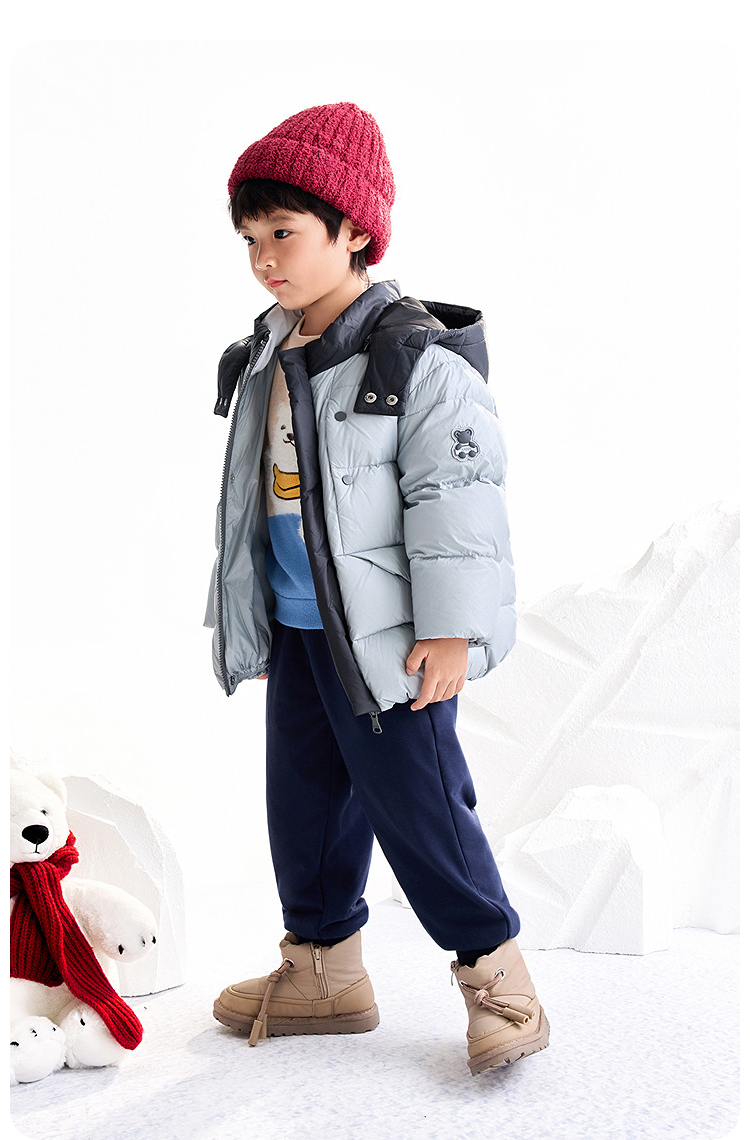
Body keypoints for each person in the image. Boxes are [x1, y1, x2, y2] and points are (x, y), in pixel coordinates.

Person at [205, 101, 549, 1076]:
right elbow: (257, 503)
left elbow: (457, 499)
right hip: (302, 626)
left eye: (283, 233)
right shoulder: (271, 352)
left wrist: (450, 631)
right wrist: (254, 616)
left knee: (421, 808)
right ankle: (323, 970)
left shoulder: (413, 359)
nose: (264, 258)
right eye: (250, 238)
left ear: (354, 230)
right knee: (303, 799)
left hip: (393, 639)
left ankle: (499, 978)